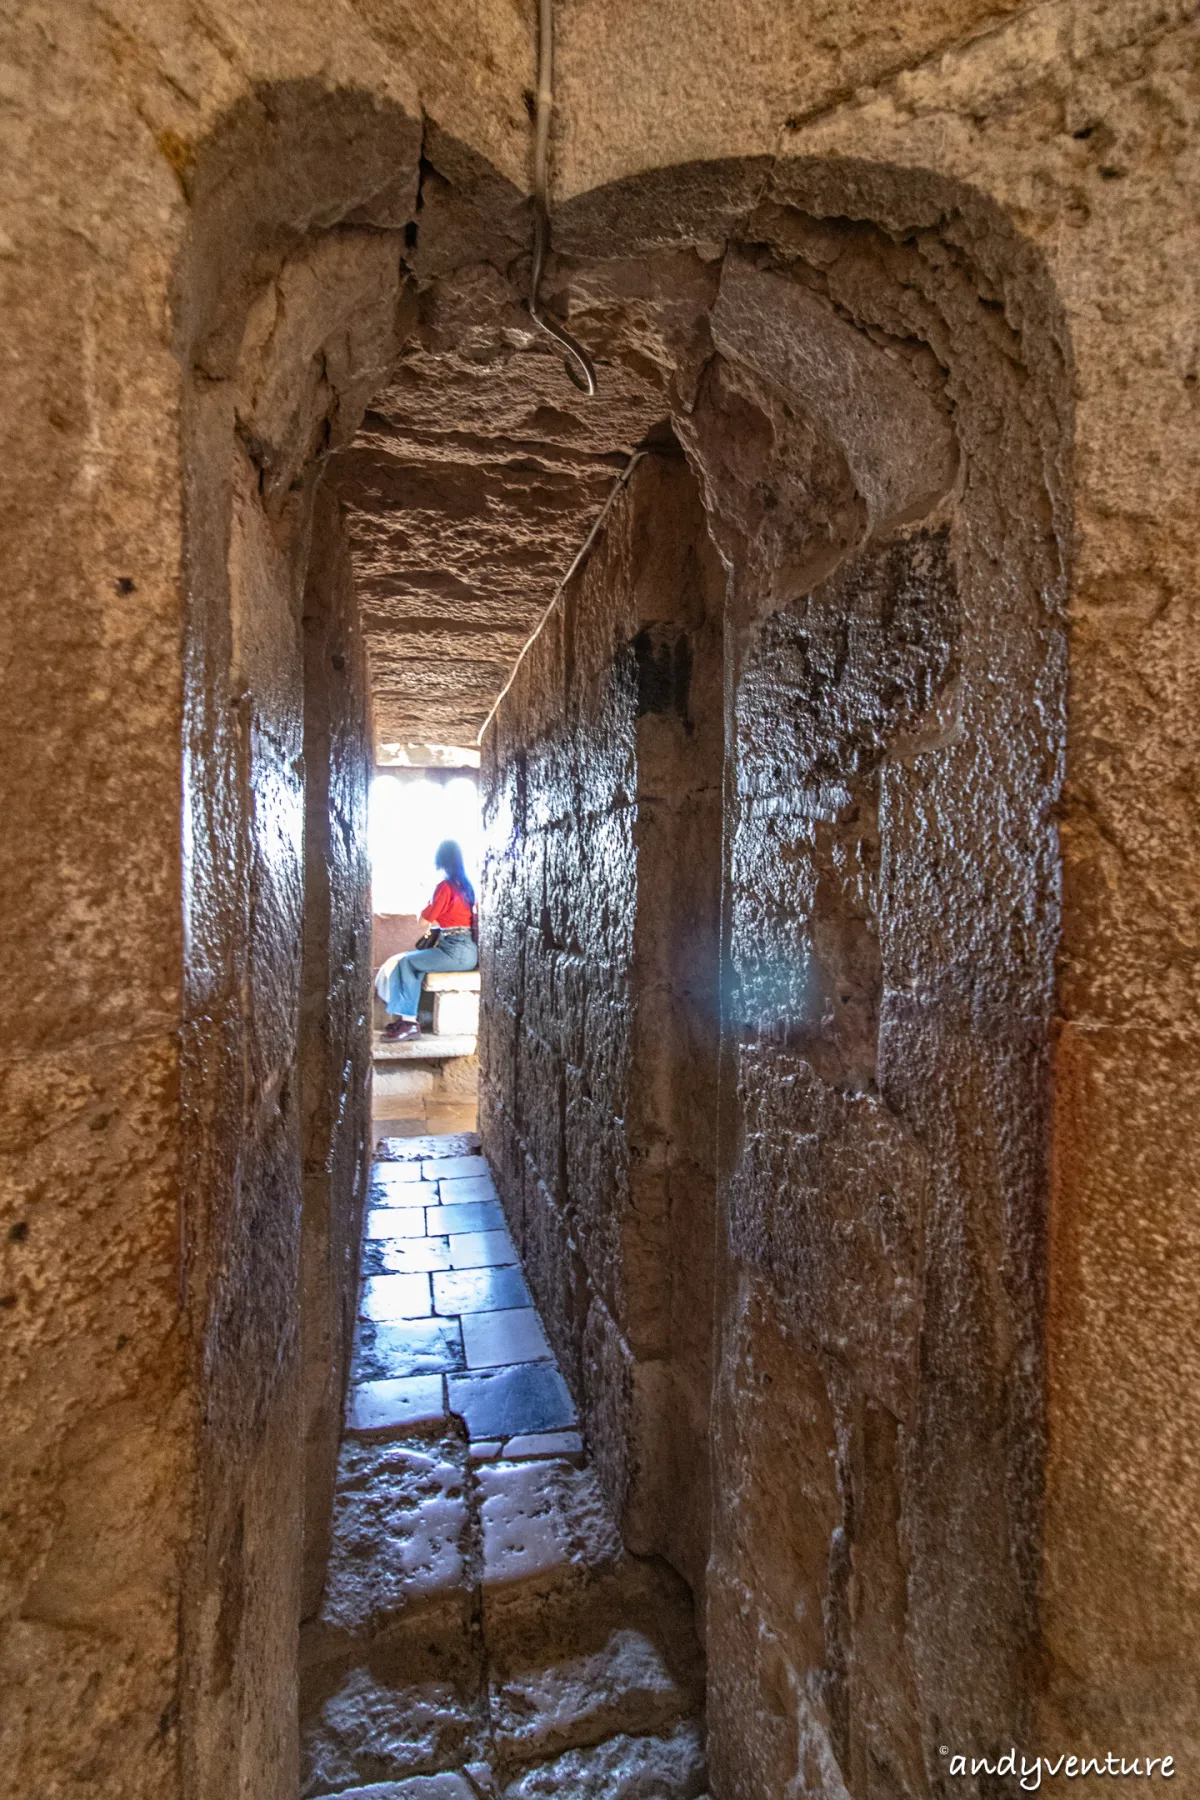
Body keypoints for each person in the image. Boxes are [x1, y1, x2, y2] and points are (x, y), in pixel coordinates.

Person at [376, 839, 478, 1041]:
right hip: (466, 950)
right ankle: (407, 1020)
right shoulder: (466, 886)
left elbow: (424, 921)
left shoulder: (444, 887)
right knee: (413, 962)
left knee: (406, 962)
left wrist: (429, 900)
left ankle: (410, 1023)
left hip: (454, 951)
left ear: (441, 859)